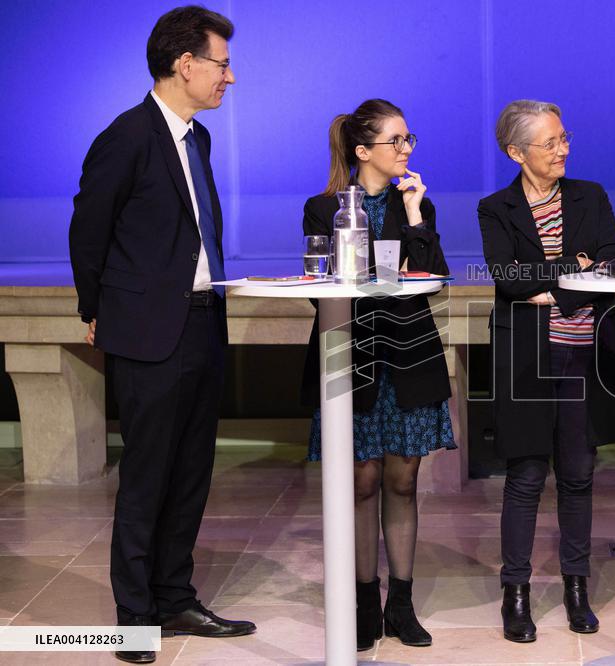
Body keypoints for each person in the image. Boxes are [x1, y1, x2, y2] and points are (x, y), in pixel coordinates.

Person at [68, 6, 255, 664]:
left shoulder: (196, 139)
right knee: (147, 476)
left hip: (202, 322)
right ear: (186, 64)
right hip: (149, 332)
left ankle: (176, 596)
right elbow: (88, 233)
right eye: (222, 63)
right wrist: (96, 308)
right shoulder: (127, 136)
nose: (230, 77)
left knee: (192, 472)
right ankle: (134, 617)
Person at [301, 98, 455, 651]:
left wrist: (415, 214)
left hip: (408, 353)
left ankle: (402, 603)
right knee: (362, 480)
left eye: (410, 139)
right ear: (363, 150)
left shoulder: (416, 203)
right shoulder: (324, 210)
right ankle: (364, 599)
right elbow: (325, 285)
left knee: (403, 479)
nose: (407, 150)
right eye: (397, 141)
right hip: (352, 355)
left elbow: (433, 276)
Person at [478, 100, 615, 643]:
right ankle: (515, 594)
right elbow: (508, 276)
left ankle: (576, 588)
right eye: (550, 143)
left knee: (579, 476)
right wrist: (576, 269)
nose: (562, 149)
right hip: (527, 359)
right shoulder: (496, 208)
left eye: (564, 138)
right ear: (517, 153)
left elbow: (613, 257)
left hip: (586, 354)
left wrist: (552, 286)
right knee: (524, 478)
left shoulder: (591, 195)